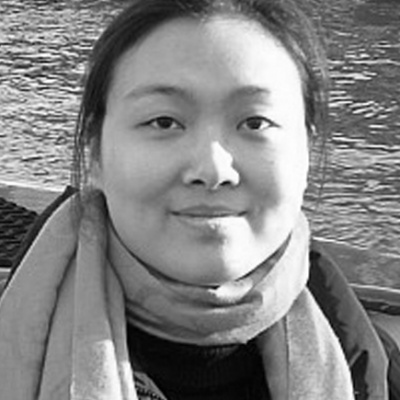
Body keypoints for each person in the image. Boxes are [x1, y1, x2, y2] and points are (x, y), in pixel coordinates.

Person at [0, 0, 391, 399]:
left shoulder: (368, 370)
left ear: (307, 150)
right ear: (94, 151)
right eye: (164, 121)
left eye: (255, 122)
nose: (214, 168)